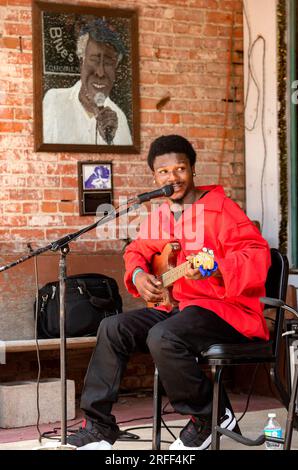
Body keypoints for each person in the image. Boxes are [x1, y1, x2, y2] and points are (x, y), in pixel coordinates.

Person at [67, 134, 271, 450]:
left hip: (224, 310)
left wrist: (217, 267)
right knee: (112, 327)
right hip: (176, 309)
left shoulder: (221, 209)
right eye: (164, 172)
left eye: (180, 169)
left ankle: (210, 416)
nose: (172, 178)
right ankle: (99, 426)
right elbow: (136, 249)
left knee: (163, 335)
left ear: (192, 170)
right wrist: (138, 272)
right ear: (154, 176)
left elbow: (256, 253)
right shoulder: (160, 216)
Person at [43, 19, 132, 145]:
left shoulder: (120, 119)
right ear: (81, 61)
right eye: (94, 60)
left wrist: (109, 140)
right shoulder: (55, 101)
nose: (100, 73)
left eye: (108, 63)